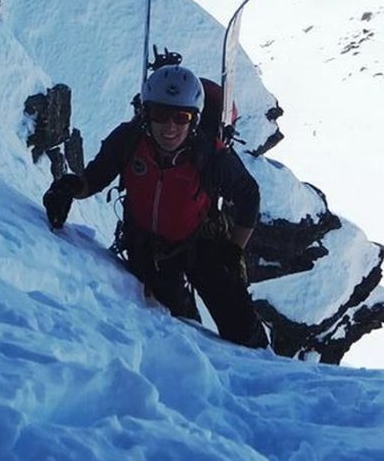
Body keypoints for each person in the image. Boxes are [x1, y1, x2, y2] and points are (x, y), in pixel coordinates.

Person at [42, 64, 268, 349]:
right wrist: (68, 189)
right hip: (147, 245)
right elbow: (95, 178)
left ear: (194, 120)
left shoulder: (211, 156)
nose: (170, 126)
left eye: (181, 117)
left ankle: (268, 363)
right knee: (172, 318)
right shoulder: (128, 140)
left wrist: (234, 250)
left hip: (202, 242)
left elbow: (249, 196)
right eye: (160, 114)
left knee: (240, 327)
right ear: (146, 114)